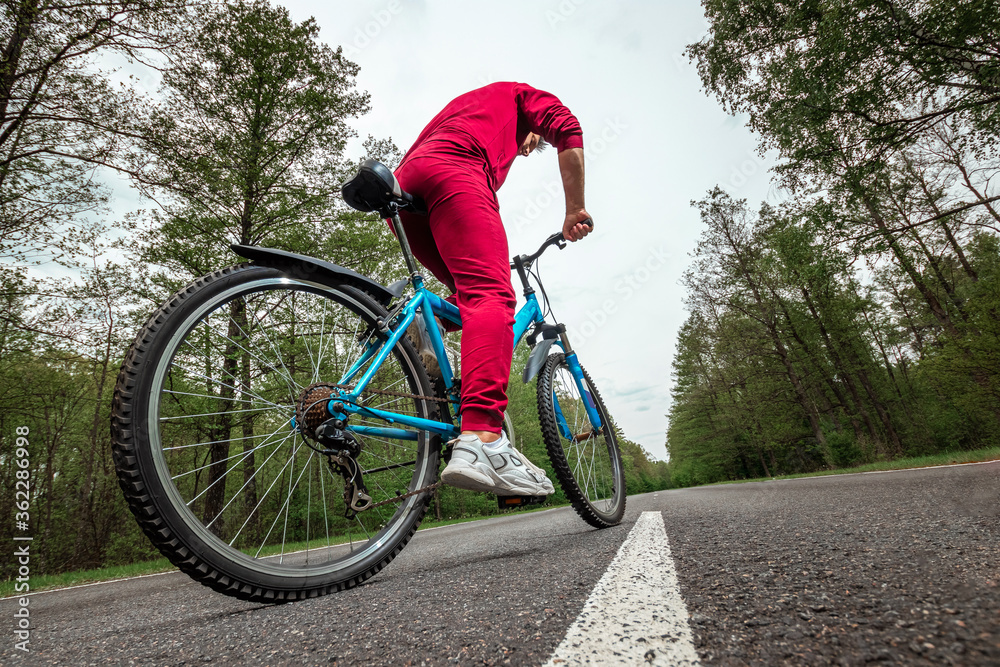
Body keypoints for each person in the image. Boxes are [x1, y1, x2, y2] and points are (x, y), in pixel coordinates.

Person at [393, 82, 591, 497]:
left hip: (405, 187)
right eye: (529, 144)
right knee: (493, 296)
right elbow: (569, 129)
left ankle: (422, 325)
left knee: (468, 295)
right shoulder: (522, 97)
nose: (524, 150)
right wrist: (574, 208)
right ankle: (482, 436)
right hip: (454, 172)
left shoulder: (469, 107)